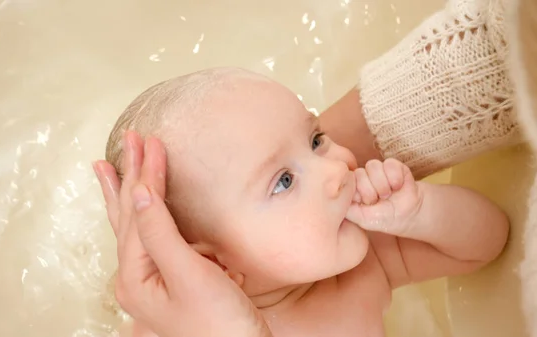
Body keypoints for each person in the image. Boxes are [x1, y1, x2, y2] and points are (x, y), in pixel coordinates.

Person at [93, 0, 537, 335]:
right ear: (215, 267)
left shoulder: (358, 264)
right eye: (284, 181)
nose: (336, 170)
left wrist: (420, 212)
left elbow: (488, 242)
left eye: (315, 140)